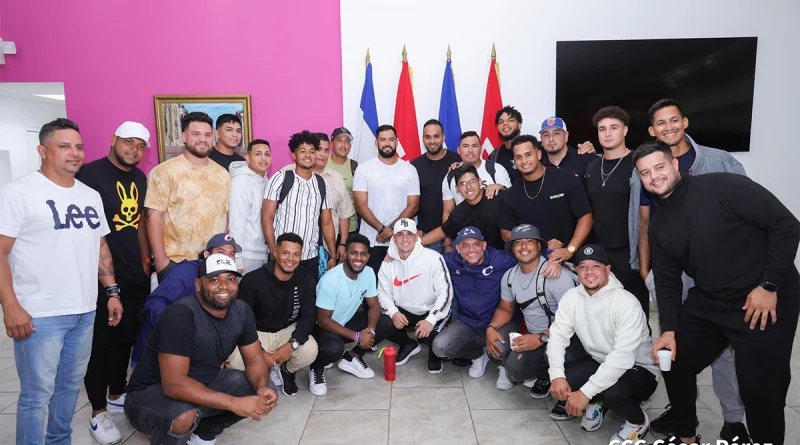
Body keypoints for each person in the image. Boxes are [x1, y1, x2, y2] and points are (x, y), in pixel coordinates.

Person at [636, 140, 800, 445]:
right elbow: (668, 282)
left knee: (759, 387)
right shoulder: (659, 226)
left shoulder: (725, 186)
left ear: (675, 165)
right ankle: (686, 436)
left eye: (659, 167)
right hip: (712, 298)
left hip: (764, 296)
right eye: (645, 173)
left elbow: (786, 226)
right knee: (674, 358)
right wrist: (669, 330)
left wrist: (769, 285)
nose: (654, 176)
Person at [631, 99, 749, 441]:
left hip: (716, 274)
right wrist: (644, 269)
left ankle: (733, 420)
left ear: (684, 121)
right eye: (660, 123)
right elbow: (642, 220)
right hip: (670, 274)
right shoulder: (645, 165)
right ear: (652, 130)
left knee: (724, 349)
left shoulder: (719, 160)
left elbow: (746, 210)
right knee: (673, 346)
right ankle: (682, 415)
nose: (668, 127)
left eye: (673, 120)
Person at [0, 118, 123, 445]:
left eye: (79, 147)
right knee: (36, 395)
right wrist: (10, 306)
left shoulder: (89, 196)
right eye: (64, 146)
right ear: (42, 150)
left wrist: (111, 291)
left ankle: (59, 441)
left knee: (69, 386)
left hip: (84, 310)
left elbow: (100, 247)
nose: (74, 153)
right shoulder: (20, 193)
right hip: (39, 314)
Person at [124, 254, 278, 445]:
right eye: (214, 279)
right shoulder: (180, 315)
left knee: (265, 391)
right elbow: (174, 384)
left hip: (205, 383)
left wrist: (261, 386)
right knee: (183, 415)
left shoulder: (241, 310)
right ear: (198, 284)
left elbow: (255, 360)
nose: (224, 286)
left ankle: (203, 434)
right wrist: (233, 403)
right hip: (149, 396)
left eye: (230, 279)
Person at [76, 121, 152, 444]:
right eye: (128, 142)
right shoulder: (89, 176)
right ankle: (97, 411)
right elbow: (86, 233)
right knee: (101, 344)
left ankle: (117, 392)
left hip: (134, 273)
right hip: (100, 276)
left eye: (140, 146)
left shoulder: (140, 177)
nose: (134, 149)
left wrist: (146, 265)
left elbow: (138, 225)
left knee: (125, 339)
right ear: (113, 140)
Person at [547, 245, 658, 444]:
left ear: (607, 270)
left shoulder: (625, 302)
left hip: (638, 369)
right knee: (566, 379)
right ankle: (598, 401)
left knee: (612, 392)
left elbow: (623, 357)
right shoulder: (572, 298)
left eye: (596, 266)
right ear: (576, 270)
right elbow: (557, 338)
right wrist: (556, 375)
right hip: (600, 361)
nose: (589, 272)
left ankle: (638, 421)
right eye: (583, 267)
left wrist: (584, 393)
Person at [486, 224, 580, 420]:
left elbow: (574, 320)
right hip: (537, 337)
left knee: (565, 352)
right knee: (515, 370)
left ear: (539, 246)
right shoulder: (510, 276)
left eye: (529, 241)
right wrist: (491, 328)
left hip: (567, 337)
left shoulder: (556, 275)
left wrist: (542, 338)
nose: (524, 246)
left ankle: (571, 391)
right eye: (518, 243)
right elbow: (505, 309)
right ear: (512, 249)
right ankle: (546, 375)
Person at [227, 233, 319, 397]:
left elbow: (309, 317)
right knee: (235, 361)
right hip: (256, 334)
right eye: (285, 253)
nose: (290, 259)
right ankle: (261, 370)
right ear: (275, 253)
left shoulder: (306, 280)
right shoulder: (253, 280)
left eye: (296, 254)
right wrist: (259, 352)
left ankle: (286, 370)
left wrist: (292, 345)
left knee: (310, 349)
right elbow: (242, 321)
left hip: (286, 332)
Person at [132, 233, 241, 367]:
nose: (226, 257)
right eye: (220, 252)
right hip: (156, 354)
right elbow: (156, 303)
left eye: (231, 254)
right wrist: (173, 332)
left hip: (194, 352)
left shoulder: (230, 281)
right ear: (207, 255)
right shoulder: (187, 271)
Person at [145, 111, 230, 281]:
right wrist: (161, 261)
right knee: (178, 308)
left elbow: (224, 215)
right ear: (184, 137)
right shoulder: (164, 172)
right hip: (176, 263)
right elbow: (153, 216)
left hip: (213, 264)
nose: (202, 139)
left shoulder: (222, 174)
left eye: (207, 135)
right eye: (196, 134)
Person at [308, 234, 395, 395]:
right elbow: (322, 320)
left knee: (387, 322)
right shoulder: (331, 280)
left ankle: (352, 357)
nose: (358, 258)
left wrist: (370, 331)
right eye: (354, 253)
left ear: (368, 257)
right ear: (346, 253)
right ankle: (317, 367)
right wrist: (356, 336)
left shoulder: (368, 273)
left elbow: (374, 305)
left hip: (344, 322)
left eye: (363, 254)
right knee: (334, 348)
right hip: (321, 329)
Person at [583, 106, 649, 314]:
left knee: (635, 313)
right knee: (601, 314)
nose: (608, 133)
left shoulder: (637, 164)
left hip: (629, 254)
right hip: (598, 252)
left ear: (625, 130)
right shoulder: (592, 167)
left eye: (614, 127)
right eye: (602, 129)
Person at [499, 135, 593, 278]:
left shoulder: (566, 180)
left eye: (528, 155)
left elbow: (586, 217)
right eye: (518, 157)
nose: (524, 161)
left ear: (538, 154)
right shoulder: (511, 194)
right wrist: (540, 243)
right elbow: (505, 232)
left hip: (572, 263)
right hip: (534, 268)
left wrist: (570, 249)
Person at [432, 227, 517, 379]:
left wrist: (555, 260)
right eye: (465, 245)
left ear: (484, 246)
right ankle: (479, 354)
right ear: (457, 248)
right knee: (440, 347)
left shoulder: (499, 259)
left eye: (476, 244)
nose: (471, 250)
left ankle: (504, 365)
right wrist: (392, 253)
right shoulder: (451, 262)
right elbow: (425, 258)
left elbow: (528, 256)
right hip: (468, 322)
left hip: (498, 322)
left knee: (501, 349)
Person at [377, 218, 453, 373]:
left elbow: (445, 294)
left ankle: (433, 352)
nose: (405, 239)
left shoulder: (433, 258)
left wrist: (431, 320)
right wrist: (394, 312)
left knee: (436, 341)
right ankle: (408, 344)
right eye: (400, 234)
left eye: (409, 234)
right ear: (394, 238)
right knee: (380, 324)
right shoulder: (388, 262)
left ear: (417, 237)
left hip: (429, 310)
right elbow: (383, 295)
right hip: (404, 310)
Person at [262, 131, 336, 282]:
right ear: (294, 155)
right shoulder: (281, 178)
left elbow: (327, 223)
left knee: (308, 301)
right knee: (279, 301)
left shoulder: (322, 185)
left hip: (310, 257)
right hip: (283, 257)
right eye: (302, 151)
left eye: (312, 151)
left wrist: (333, 255)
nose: (308, 155)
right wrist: (273, 249)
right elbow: (266, 217)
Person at [353, 125, 420, 281]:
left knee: (402, 286)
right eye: (383, 140)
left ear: (396, 142)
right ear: (376, 143)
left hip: (402, 241)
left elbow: (413, 205)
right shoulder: (364, 169)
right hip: (372, 240)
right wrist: (381, 228)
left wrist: (392, 229)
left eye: (391, 139)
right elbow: (360, 205)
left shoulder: (409, 169)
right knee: (372, 289)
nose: (387, 143)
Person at [281, 132, 354, 265]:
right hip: (290, 251)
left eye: (326, 150)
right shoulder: (286, 174)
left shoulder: (336, 178)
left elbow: (344, 214)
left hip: (326, 249)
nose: (322, 154)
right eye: (319, 149)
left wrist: (342, 243)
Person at [490, 106, 594, 184]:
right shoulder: (494, 155)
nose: (505, 124)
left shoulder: (542, 147)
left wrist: (587, 149)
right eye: (501, 121)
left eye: (510, 120)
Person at [422, 164, 506, 251]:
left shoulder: (497, 196)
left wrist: (503, 187)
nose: (468, 187)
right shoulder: (459, 212)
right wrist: (417, 243)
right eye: (463, 184)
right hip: (479, 258)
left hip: (507, 255)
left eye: (472, 181)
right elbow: (443, 231)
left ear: (480, 182)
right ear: (457, 188)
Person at [411, 119, 461, 254]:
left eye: (436, 136)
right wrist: (416, 229)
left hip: (456, 234)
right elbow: (411, 202)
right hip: (427, 236)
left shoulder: (457, 161)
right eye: (428, 137)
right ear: (422, 139)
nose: (432, 141)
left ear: (443, 137)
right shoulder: (415, 166)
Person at [441, 131, 511, 220]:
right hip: (464, 231)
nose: (470, 150)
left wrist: (502, 187)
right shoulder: (450, 176)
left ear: (481, 149)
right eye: (466, 146)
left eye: (475, 146)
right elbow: (448, 212)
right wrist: (449, 234)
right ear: (459, 150)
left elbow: (511, 201)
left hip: (493, 230)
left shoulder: (496, 169)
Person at [228, 139, 272, 274]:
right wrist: (238, 260)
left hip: (261, 253)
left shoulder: (266, 181)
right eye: (258, 154)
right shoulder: (241, 182)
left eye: (267, 154)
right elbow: (237, 223)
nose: (263, 158)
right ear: (248, 158)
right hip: (247, 255)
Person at [326, 127, 360, 237]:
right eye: (339, 140)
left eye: (347, 141)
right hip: (325, 226)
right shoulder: (322, 163)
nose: (343, 145)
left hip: (350, 226)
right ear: (331, 144)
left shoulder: (355, 166)